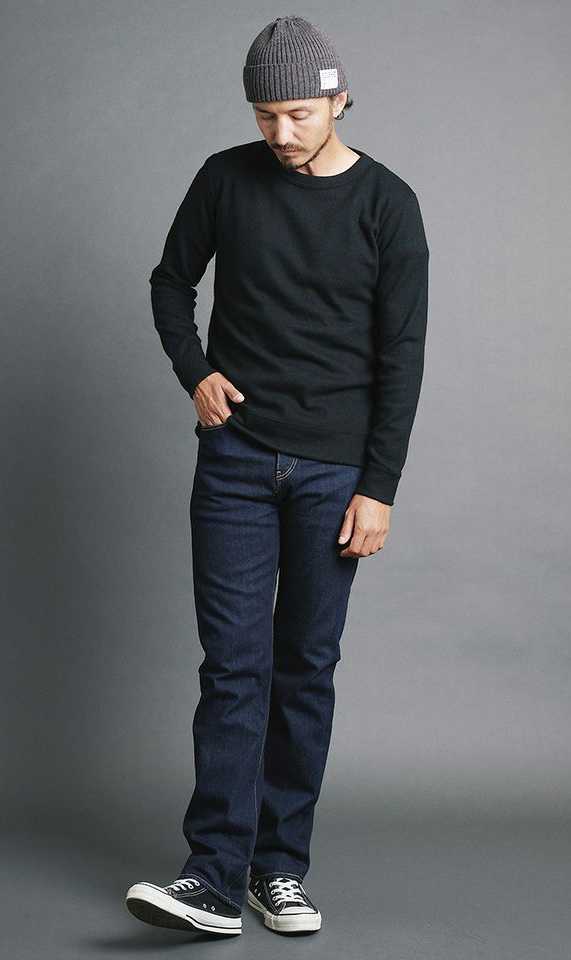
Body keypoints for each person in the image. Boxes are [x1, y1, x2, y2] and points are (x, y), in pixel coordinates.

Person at [125, 14, 429, 937]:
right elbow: (169, 282)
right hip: (235, 461)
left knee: (306, 670)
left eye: (299, 113)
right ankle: (212, 879)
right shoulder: (225, 178)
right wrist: (195, 372)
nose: (282, 133)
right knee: (233, 667)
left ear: (340, 100)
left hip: (336, 473)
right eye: (266, 116)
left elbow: (402, 356)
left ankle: (278, 870)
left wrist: (379, 488)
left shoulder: (388, 204)